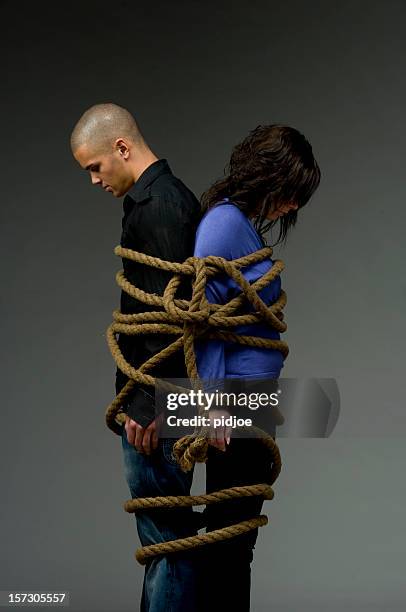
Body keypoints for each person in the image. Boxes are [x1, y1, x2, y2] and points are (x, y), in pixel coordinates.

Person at [70, 102, 202, 611]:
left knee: (167, 545)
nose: (94, 180)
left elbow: (175, 319)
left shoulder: (160, 206)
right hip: (156, 399)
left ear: (121, 148)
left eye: (95, 167)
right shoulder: (155, 201)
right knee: (162, 544)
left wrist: (148, 407)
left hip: (159, 406)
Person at [193, 124, 321, 611]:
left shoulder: (236, 223)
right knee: (230, 544)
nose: (292, 208)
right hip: (230, 404)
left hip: (250, 402)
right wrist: (208, 405)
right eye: (292, 195)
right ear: (270, 177)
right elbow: (201, 320)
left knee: (235, 543)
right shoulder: (223, 224)